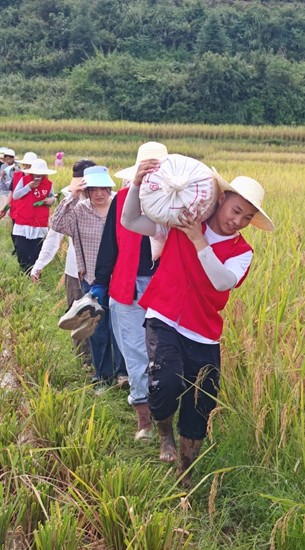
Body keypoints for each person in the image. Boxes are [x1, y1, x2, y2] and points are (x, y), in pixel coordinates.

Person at [122, 160, 274, 488]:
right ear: (220, 200)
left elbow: (221, 282)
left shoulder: (242, 252)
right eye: (235, 210)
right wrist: (136, 183)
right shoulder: (183, 221)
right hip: (163, 317)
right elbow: (130, 219)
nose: (238, 221)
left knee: (200, 403)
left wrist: (198, 242)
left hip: (204, 333)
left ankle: (186, 473)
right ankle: (165, 436)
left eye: (247, 217)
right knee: (165, 383)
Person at [91, 143, 168, 440]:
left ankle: (165, 416)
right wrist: (100, 281)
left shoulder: (178, 203)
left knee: (162, 354)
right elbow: (109, 243)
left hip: (165, 288)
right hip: (126, 286)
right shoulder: (122, 199)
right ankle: (144, 420)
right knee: (135, 353)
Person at [51, 165, 127, 386]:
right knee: (98, 330)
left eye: (104, 188)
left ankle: (122, 373)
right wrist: (71, 197)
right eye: (94, 189)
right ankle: (102, 376)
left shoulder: (121, 209)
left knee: (120, 329)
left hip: (120, 279)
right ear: (86, 191)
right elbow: (56, 224)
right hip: (92, 280)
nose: (100, 193)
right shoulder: (79, 211)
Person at [31, 159, 96, 363]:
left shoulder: (109, 200)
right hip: (75, 272)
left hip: (104, 272)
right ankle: (84, 362)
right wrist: (40, 264)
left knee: (103, 319)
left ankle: (104, 363)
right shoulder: (69, 201)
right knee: (79, 317)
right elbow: (54, 235)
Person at [10, 158, 56, 272]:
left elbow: (52, 197)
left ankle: (34, 274)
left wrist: (51, 201)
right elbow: (15, 196)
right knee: (21, 249)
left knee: (36, 252)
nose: (38, 176)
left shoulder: (48, 184)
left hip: (39, 223)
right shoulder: (24, 180)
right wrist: (28, 188)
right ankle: (23, 272)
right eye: (36, 173)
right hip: (23, 221)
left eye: (41, 174)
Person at [0, 148, 16, 216]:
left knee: (10, 212)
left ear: (13, 158)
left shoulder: (17, 167)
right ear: (4, 158)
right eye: (7, 159)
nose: (8, 161)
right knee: (2, 211)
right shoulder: (3, 166)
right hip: (3, 192)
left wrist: (15, 170)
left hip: (12, 192)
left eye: (10, 159)